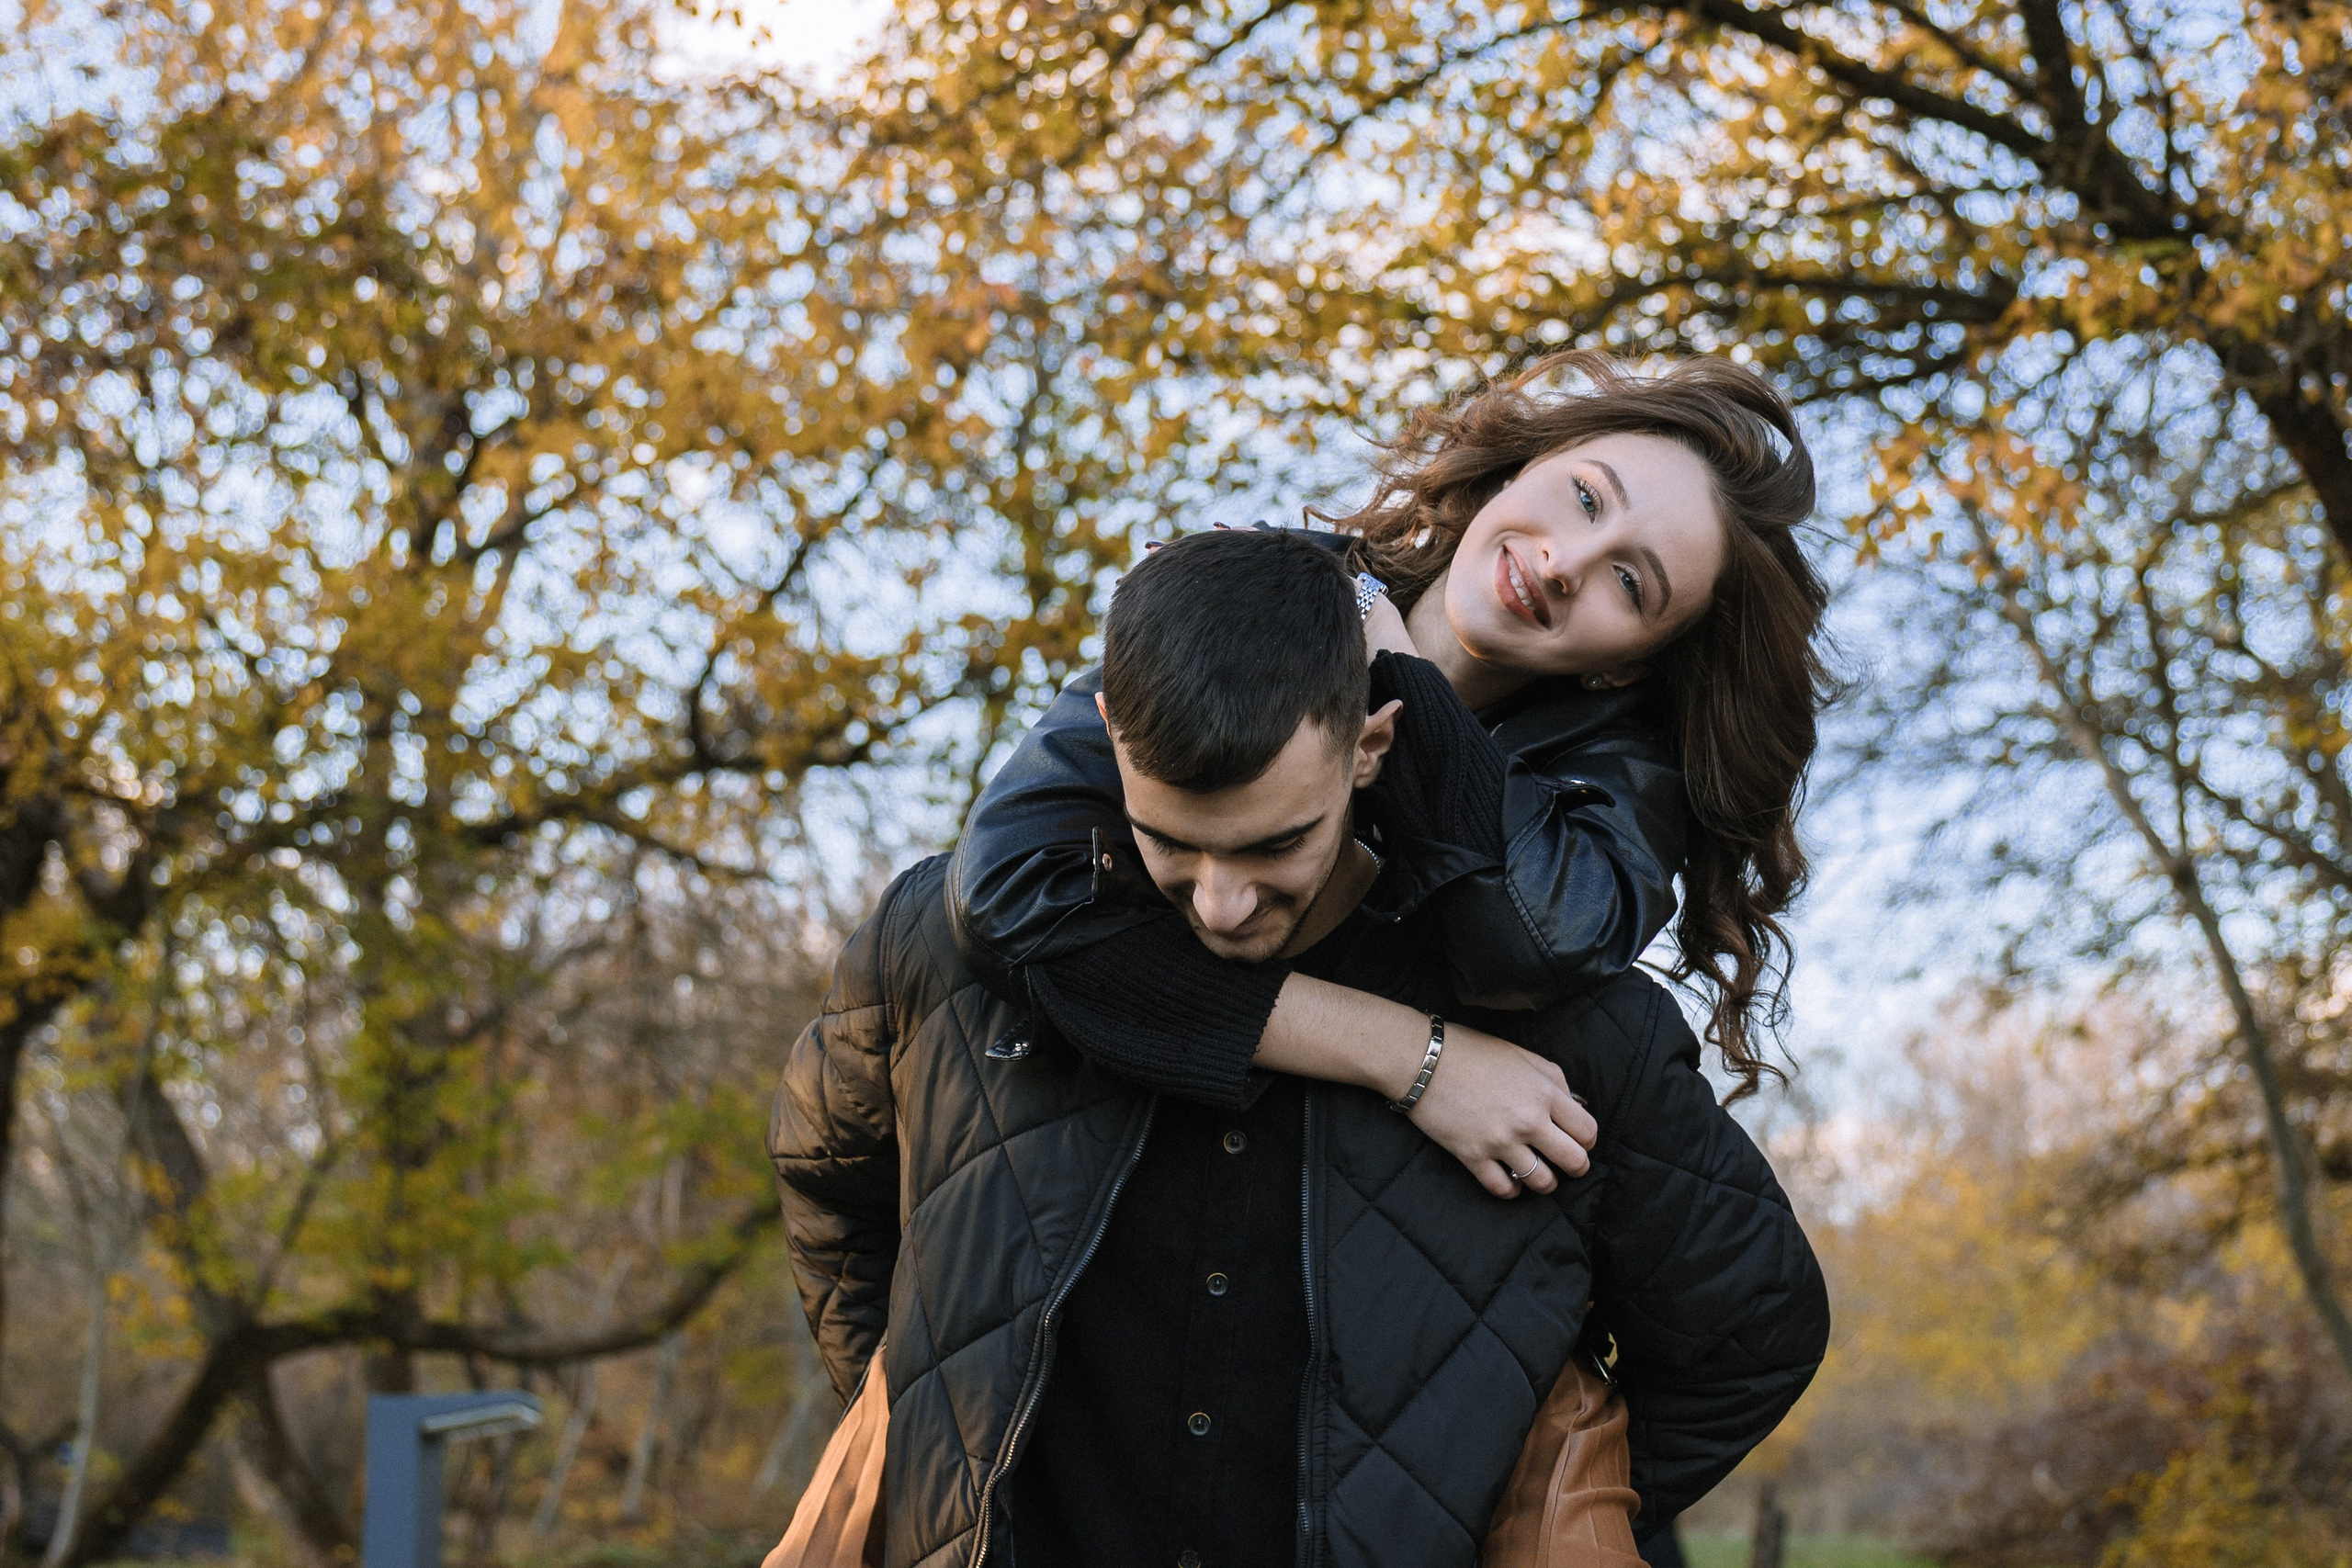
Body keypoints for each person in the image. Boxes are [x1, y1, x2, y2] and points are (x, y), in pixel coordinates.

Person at [770, 530, 1830, 1568]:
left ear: (1371, 747)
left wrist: (1494, 1508)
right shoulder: (938, 948)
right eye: (1171, 843)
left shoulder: (1568, 1029)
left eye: (1275, 845)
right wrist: (927, 1446)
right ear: (1107, 732)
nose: (1223, 906)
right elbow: (829, 1179)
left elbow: (1750, 1332)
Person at [947, 351, 1833, 1208]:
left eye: (1631, 582)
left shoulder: (1615, 790)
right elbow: (1003, 889)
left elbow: (1539, 937)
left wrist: (1396, 658)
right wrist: (1409, 1054)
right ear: (1516, 472)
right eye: (1586, 497)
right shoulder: (1266, 590)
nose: (1567, 561)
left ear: (1630, 668)